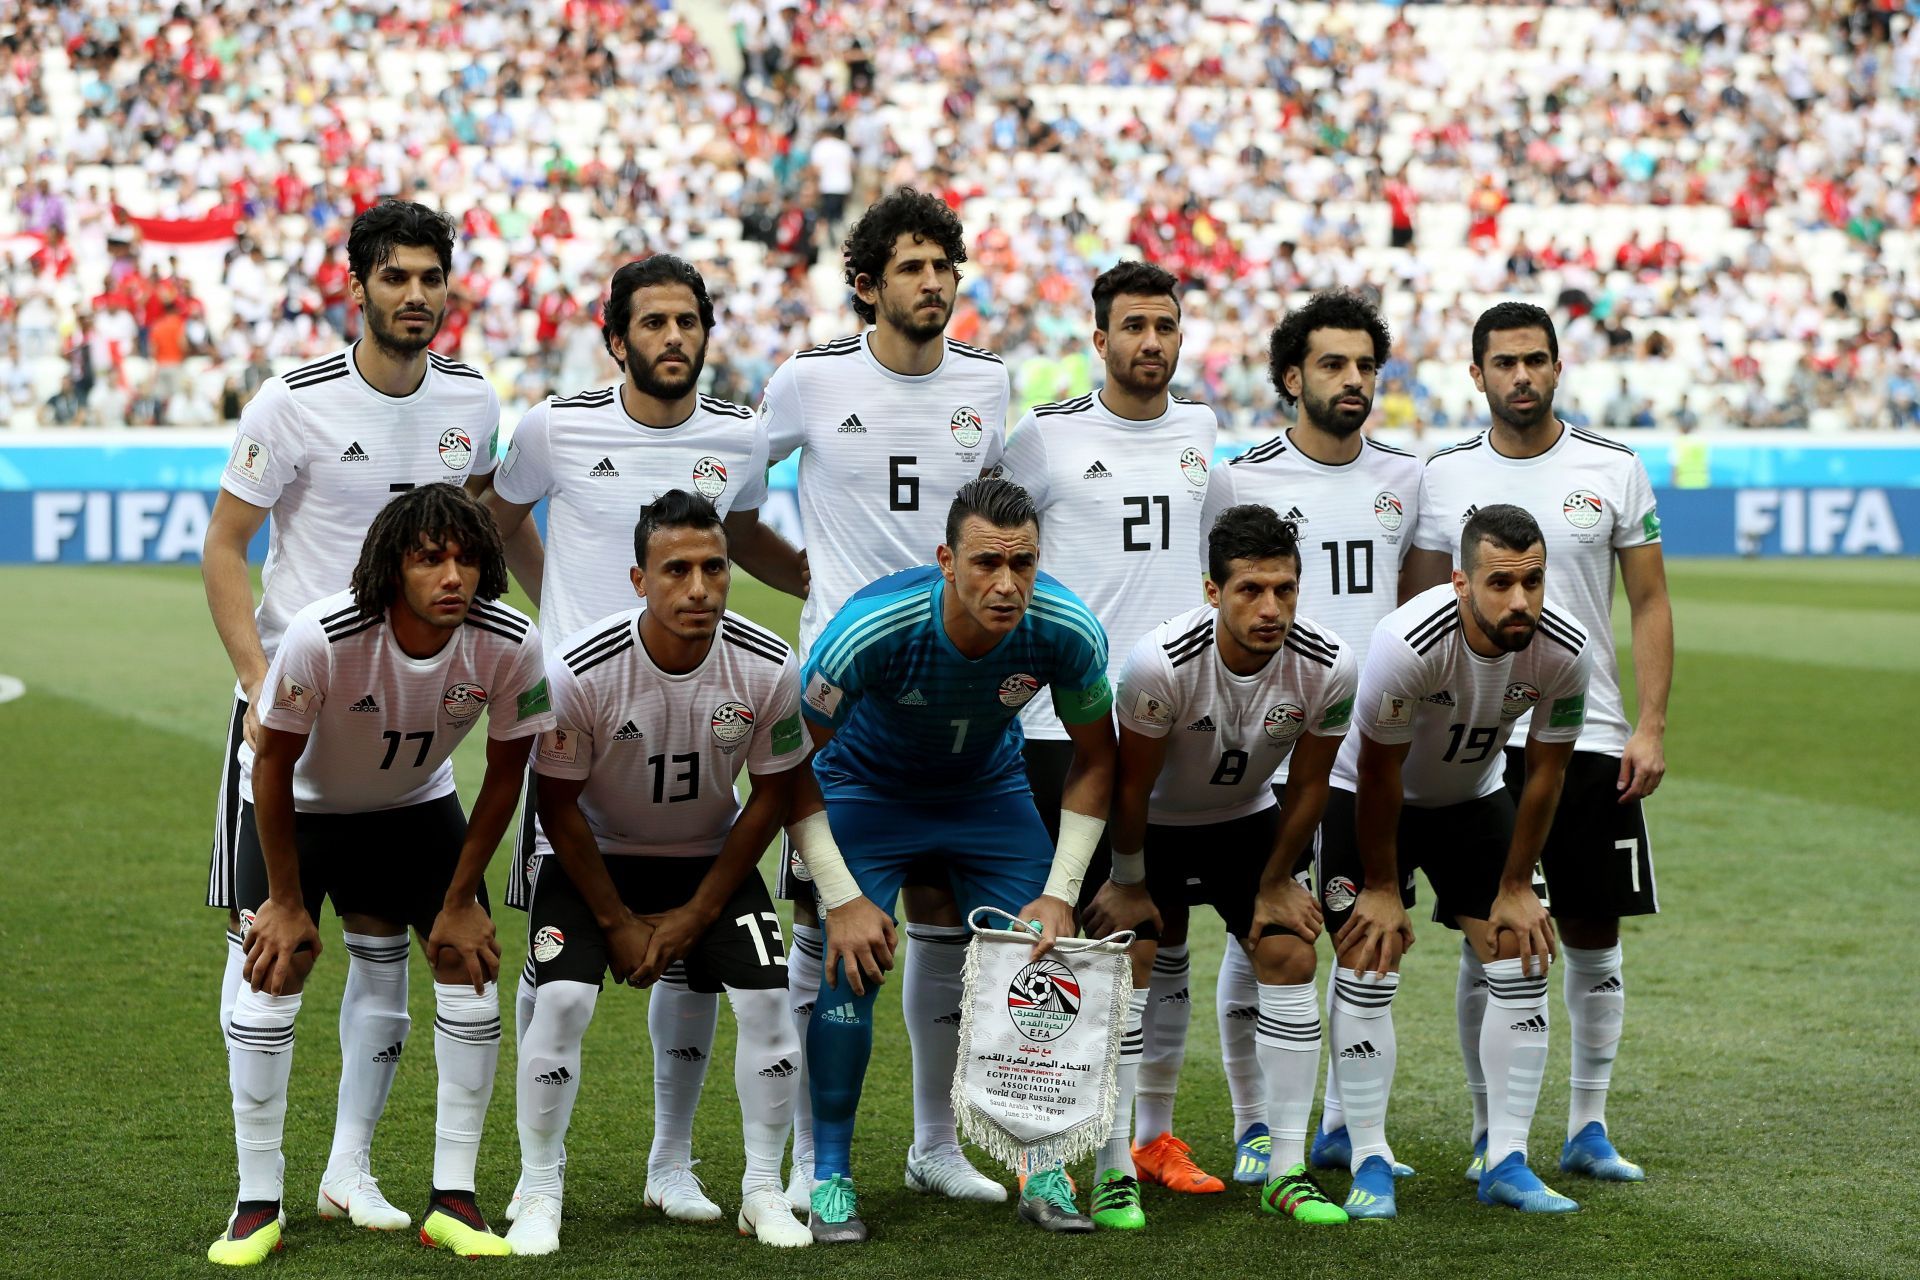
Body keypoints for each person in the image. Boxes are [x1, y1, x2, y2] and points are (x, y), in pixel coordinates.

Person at [201, 199, 513, 1233]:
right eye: (396, 278)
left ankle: (350, 1170)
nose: (415, 296)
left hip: (413, 734)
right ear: (359, 286)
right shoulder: (290, 403)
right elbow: (225, 547)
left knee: (389, 950)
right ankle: (257, 1195)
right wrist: (256, 681)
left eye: (431, 278)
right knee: (270, 951)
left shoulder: (474, 402)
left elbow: (466, 541)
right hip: (298, 717)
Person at [477, 254, 805, 1225]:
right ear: (617, 338)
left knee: (700, 968)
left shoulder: (740, 437)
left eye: (688, 322)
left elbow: (736, 540)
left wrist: (818, 590)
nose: (673, 339)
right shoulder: (555, 426)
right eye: (652, 324)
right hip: (588, 715)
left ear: (706, 333)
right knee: (559, 984)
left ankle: (673, 1163)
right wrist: (558, 624)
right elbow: (501, 521)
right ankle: (539, 1178)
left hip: (700, 713)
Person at [208, 485, 552, 1264]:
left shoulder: (509, 640)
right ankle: (256, 1204)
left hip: (410, 806)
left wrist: (462, 900)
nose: (452, 575)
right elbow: (273, 763)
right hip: (298, 805)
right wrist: (287, 904)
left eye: (466, 558)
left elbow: (506, 771)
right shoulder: (323, 634)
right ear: (393, 567)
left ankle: (453, 1199)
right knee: (274, 968)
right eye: (430, 559)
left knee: (470, 963)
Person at [760, 188, 1012, 1210]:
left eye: (944, 264)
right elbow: (735, 506)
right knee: (828, 924)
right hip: (845, 696)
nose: (933, 282)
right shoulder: (811, 379)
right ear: (867, 284)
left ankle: (935, 1143)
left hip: (960, 700)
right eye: (911, 266)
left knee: (942, 911)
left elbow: (999, 525)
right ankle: (803, 1159)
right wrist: (816, 590)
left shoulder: (990, 386)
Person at [792, 478, 1116, 1242]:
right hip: (864, 791)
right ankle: (830, 1174)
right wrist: (840, 896)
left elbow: (1098, 760)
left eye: (1023, 564)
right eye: (985, 564)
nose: (1006, 585)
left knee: (1045, 962)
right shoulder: (869, 630)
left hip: (984, 791)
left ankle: (1045, 1167)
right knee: (851, 966)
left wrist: (1062, 891)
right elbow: (784, 762)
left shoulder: (1066, 628)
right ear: (946, 560)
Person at [505, 492, 814, 1255]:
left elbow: (775, 792)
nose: (700, 588)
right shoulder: (580, 669)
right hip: (592, 854)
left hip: (707, 853)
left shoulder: (770, 664)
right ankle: (540, 1183)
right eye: (677, 570)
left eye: (715, 568)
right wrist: (614, 921)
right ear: (639, 580)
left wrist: (694, 913)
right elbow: (557, 804)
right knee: (568, 1000)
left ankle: (756, 1190)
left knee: (771, 1008)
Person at [1405, 301, 1671, 1185]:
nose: (1522, 376)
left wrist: (1650, 723)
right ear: (1475, 374)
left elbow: (1649, 603)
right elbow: (1417, 615)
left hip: (1589, 730)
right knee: (1488, 932)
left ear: (1558, 368)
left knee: (1594, 927)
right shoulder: (1442, 476)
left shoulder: (1614, 468)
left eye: (1536, 360)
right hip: (1477, 737)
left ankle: (1588, 1126)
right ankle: (1491, 1129)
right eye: (1504, 362)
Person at [991, 259, 1223, 1200]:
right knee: (1065, 938)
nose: (1151, 343)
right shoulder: (1045, 441)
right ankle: (1047, 1147)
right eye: (1133, 326)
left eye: (1166, 326)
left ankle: (1148, 1139)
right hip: (1064, 727)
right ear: (1099, 339)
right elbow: (993, 546)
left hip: (1171, 726)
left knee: (1160, 936)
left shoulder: (1204, 431)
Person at [1198, 289, 1424, 1188]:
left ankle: (1342, 1124)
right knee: (1260, 930)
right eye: (1333, 364)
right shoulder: (1241, 478)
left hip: (1369, 750)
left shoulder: (1407, 479)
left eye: (1367, 365)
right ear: (1292, 378)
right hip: (1267, 749)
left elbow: (1411, 608)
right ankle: (1257, 1126)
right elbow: (1210, 595)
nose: (1353, 381)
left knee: (1373, 929)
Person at [1081, 505, 1357, 1230]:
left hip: (1245, 825)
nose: (1271, 608)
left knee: (1293, 952)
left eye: (1285, 590)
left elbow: (1309, 785)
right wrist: (1129, 879)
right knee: (1131, 958)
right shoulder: (1160, 663)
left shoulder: (1330, 664)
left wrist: (1277, 879)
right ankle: (1117, 1169)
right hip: (1153, 829)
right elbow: (1130, 786)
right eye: (1250, 590)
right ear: (1212, 590)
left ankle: (1286, 1170)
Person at [1327, 503, 1594, 1217]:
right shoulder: (1408, 642)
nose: (1519, 600)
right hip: (1368, 797)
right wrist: (1383, 886)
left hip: (1473, 800)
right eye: (1500, 582)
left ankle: (1506, 1158)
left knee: (1522, 947)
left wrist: (1515, 885)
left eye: (1532, 581)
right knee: (1370, 951)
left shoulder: (1565, 648)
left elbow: (1545, 773)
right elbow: (1380, 772)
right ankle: (1367, 1154)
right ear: (1459, 582)